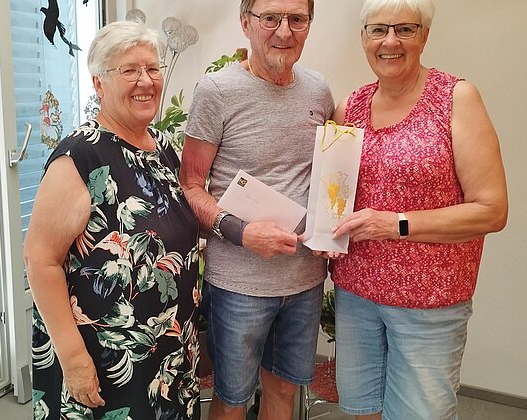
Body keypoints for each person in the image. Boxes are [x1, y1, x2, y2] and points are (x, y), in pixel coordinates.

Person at [324, 0, 508, 419]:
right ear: (364, 38)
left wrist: (396, 224)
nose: (390, 41)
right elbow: (334, 197)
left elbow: (492, 210)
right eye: (378, 30)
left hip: (429, 304)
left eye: (404, 29)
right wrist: (324, 232)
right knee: (363, 410)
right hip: (356, 296)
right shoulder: (350, 107)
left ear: (424, 36)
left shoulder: (456, 98)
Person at [25, 21, 200, 419]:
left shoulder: (162, 147)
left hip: (167, 353)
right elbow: (40, 260)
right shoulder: (80, 156)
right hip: (105, 360)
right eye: (129, 70)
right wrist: (73, 358)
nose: (146, 81)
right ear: (98, 84)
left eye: (152, 68)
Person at [179, 0, 334, 419]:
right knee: (232, 401)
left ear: (308, 25)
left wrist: (331, 228)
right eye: (270, 18)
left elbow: (329, 176)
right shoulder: (217, 91)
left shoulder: (318, 90)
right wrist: (241, 232)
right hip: (239, 285)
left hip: (304, 279)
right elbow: (190, 185)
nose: (284, 31)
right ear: (246, 23)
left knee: (283, 391)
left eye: (297, 19)